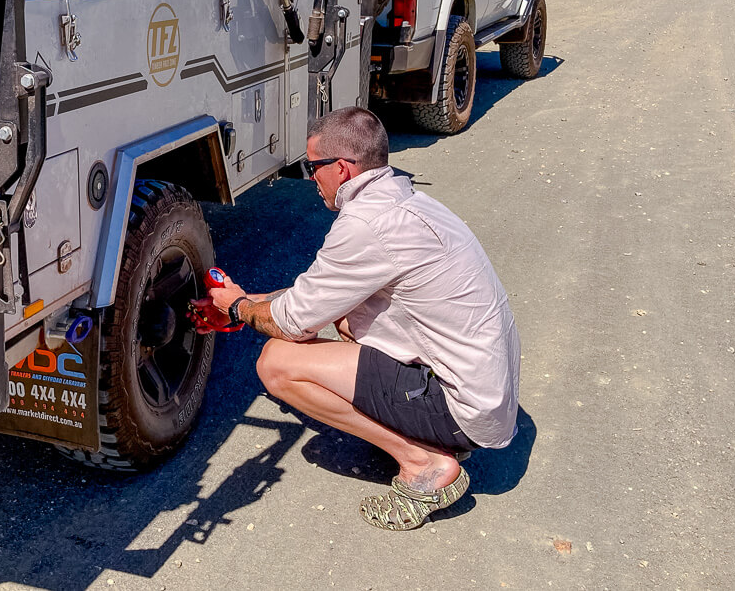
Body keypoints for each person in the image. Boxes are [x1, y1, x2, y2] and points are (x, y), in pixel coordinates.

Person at [194, 107, 521, 531]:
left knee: (276, 364)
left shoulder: (366, 225)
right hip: (484, 390)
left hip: (463, 408)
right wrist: (243, 300)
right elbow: (317, 297)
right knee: (346, 317)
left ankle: (424, 463)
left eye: (313, 167)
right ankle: (424, 432)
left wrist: (239, 309)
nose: (310, 177)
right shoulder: (402, 200)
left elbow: (292, 322)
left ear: (343, 169)